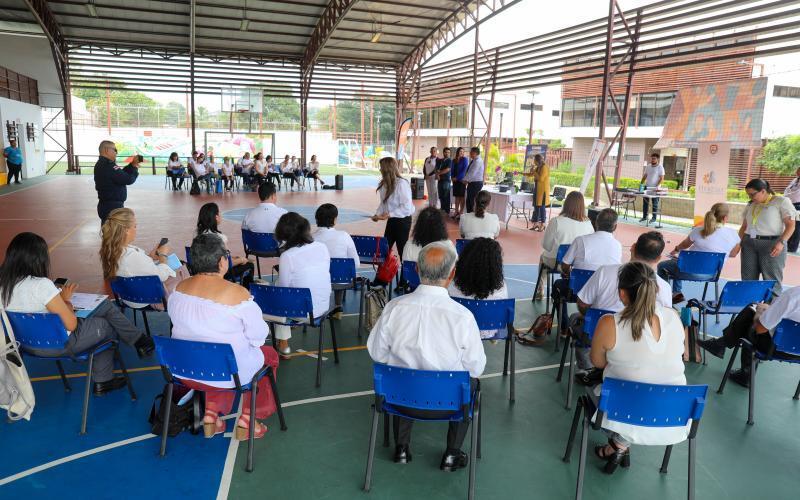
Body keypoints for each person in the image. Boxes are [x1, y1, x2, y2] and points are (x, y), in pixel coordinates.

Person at [367, 242, 485, 471]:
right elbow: (476, 368)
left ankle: (401, 448)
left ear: (417, 271)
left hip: (399, 400)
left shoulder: (394, 307)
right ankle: (451, 454)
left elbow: (377, 353)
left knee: (399, 372)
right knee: (468, 384)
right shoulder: (463, 316)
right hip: (448, 404)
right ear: (452, 275)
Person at [0, 232, 154, 395]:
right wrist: (66, 300)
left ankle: (138, 342)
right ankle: (104, 379)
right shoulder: (41, 285)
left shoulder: (3, 285)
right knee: (107, 326)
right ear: (38, 259)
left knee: (104, 308)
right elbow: (71, 324)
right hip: (60, 344)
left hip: (24, 344)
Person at [169, 233, 280, 439]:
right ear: (222, 261)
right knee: (268, 355)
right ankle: (248, 418)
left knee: (212, 353)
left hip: (184, 371)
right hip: (227, 373)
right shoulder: (238, 295)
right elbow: (258, 337)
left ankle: (212, 414)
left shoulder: (177, 290)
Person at [590, 261, 687, 473]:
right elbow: (680, 356)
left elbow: (597, 363)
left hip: (624, 414)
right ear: (656, 290)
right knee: (641, 389)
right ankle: (620, 445)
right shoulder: (674, 318)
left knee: (604, 390)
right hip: (672, 417)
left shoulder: (609, 323)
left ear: (622, 294)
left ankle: (619, 443)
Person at [572, 231, 675, 385]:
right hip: (641, 348)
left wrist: (591, 316)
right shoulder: (665, 288)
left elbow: (582, 303)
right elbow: (663, 324)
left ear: (633, 247)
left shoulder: (605, 272)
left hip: (597, 336)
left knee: (576, 319)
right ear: (659, 258)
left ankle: (586, 368)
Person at [698, 285, 800, 387]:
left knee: (751, 312)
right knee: (756, 314)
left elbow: (760, 329)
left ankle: (744, 372)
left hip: (773, 349)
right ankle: (721, 344)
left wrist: (760, 312)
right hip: (797, 353)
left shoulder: (791, 296)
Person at [100, 208, 189, 310]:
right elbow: (161, 276)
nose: (136, 229)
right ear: (126, 230)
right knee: (184, 273)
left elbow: (133, 268)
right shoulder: (132, 256)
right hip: (145, 299)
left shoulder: (111, 251)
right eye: (135, 226)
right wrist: (163, 256)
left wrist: (150, 257)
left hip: (127, 296)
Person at [270, 212, 332, 356]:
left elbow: (283, 290)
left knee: (275, 295)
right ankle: (285, 334)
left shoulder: (288, 256)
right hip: (323, 306)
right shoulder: (322, 246)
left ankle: (283, 343)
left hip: (302, 312)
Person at [657, 202, 741, 302]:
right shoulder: (733, 234)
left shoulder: (697, 230)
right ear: (725, 218)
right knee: (679, 262)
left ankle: (671, 295)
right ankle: (676, 292)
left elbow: (685, 245)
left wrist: (675, 250)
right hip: (712, 274)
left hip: (687, 271)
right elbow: (733, 254)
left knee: (663, 266)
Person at [738, 178, 797, 295]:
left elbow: (791, 225)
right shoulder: (751, 204)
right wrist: (737, 243)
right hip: (749, 243)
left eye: (752, 194)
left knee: (771, 280)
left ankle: (771, 310)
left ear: (763, 191)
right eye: (748, 195)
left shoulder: (781, 201)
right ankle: (750, 308)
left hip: (772, 244)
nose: (750, 197)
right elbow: (744, 226)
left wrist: (781, 242)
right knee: (747, 278)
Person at [535, 191, 594, 300]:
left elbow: (546, 246)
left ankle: (540, 290)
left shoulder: (556, 221)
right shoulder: (588, 223)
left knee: (542, 257)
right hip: (577, 264)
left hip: (558, 262)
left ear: (566, 204)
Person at [448, 238, 508, 339]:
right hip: (489, 330)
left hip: (458, 329)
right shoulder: (501, 287)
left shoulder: (452, 284)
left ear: (465, 258)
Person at [313, 203, 359, 317]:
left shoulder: (311, 239)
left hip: (319, 281)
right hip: (342, 280)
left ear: (317, 219)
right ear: (334, 219)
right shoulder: (344, 235)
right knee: (339, 270)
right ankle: (338, 306)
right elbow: (356, 263)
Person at [371, 156, 415, 271]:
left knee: (402, 250)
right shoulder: (384, 184)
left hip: (403, 220)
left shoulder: (402, 184)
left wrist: (390, 214)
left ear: (387, 169)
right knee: (385, 248)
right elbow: (383, 203)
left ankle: (404, 279)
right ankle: (381, 278)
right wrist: (377, 214)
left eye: (381, 167)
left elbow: (406, 207)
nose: (380, 170)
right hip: (392, 220)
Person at [196, 203, 255, 289]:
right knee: (250, 265)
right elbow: (227, 263)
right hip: (219, 272)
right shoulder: (220, 238)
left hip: (202, 271)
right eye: (219, 212)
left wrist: (234, 258)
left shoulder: (197, 236)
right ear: (216, 217)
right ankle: (246, 292)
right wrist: (242, 259)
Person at [561, 208, 622, 274]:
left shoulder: (580, 240)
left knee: (558, 283)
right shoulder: (618, 246)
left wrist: (571, 275)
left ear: (596, 223)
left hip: (579, 283)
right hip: (605, 284)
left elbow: (565, 266)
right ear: (615, 227)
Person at [94, 140, 139, 223]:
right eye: (115, 150)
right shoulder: (108, 165)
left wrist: (131, 165)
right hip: (112, 207)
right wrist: (135, 166)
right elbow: (128, 179)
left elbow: (121, 175)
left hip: (107, 204)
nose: (116, 153)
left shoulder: (103, 164)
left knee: (109, 233)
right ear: (107, 150)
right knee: (114, 234)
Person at [640, 153, 665, 223]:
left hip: (655, 188)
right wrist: (641, 184)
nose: (652, 160)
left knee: (655, 204)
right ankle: (644, 217)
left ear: (657, 159)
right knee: (645, 203)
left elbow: (662, 178)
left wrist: (657, 186)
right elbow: (645, 176)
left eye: (654, 158)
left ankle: (654, 218)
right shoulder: (648, 166)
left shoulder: (660, 167)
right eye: (652, 158)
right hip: (647, 187)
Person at [531, 154, 550, 231]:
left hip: (543, 191)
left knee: (542, 208)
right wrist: (521, 173)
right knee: (536, 207)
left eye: (534, 160)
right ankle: (535, 224)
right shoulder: (538, 167)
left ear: (537, 160)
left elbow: (541, 179)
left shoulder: (544, 168)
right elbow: (532, 174)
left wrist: (534, 172)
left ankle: (542, 224)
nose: (533, 161)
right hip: (537, 189)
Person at [783, 166, 800, 253]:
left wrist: (788, 195)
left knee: (797, 226)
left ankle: (793, 247)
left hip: (798, 206)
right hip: (790, 205)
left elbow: (795, 194)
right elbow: (787, 190)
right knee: (789, 224)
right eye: (797, 170)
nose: (797, 172)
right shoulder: (794, 180)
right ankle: (788, 244)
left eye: (799, 170)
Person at [464, 147, 485, 214]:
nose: (470, 154)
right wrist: (466, 179)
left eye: (471, 153)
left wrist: (465, 180)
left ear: (475, 153)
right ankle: (469, 215)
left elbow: (472, 173)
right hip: (472, 183)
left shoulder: (478, 161)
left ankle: (473, 216)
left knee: (472, 201)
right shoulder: (474, 160)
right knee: (469, 201)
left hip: (476, 184)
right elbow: (470, 172)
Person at [451, 147, 468, 218]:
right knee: (456, 196)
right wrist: (452, 177)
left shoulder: (465, 159)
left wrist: (457, 178)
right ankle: (456, 211)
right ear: (457, 152)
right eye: (460, 151)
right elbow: (452, 170)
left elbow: (464, 170)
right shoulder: (454, 160)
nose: (461, 153)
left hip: (461, 180)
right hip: (455, 181)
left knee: (461, 196)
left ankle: (461, 212)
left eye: (463, 152)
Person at [437, 147, 453, 214]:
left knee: (446, 195)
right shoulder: (440, 160)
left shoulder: (450, 160)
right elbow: (437, 168)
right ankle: (442, 208)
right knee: (441, 195)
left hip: (446, 180)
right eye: (446, 152)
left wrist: (438, 173)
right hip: (440, 180)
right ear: (443, 153)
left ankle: (447, 210)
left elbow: (447, 169)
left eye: (448, 152)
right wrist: (437, 174)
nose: (447, 153)